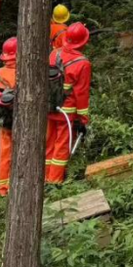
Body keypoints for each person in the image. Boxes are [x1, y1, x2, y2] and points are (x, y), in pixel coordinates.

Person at [46, 22, 91, 183]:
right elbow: (81, 93)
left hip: (49, 106)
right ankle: (54, 181)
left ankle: (44, 177)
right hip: (66, 111)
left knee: (49, 143)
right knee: (61, 145)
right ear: (84, 41)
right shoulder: (82, 64)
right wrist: (83, 119)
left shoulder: (53, 54)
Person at [0, 37, 17, 197]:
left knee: (5, 152)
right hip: (21, 117)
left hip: (5, 119)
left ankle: (3, 187)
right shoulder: (25, 71)